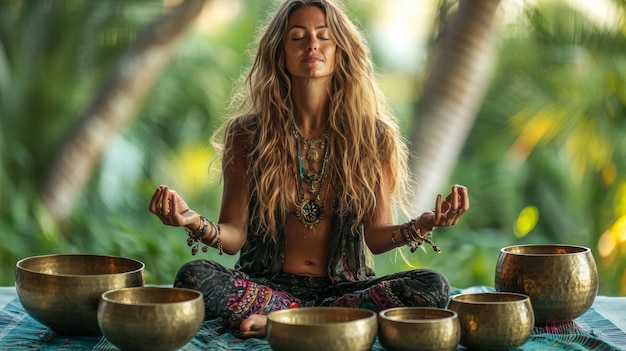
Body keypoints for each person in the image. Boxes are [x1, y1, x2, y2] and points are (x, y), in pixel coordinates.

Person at [149, 0, 469, 338]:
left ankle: (286, 320)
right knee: (194, 276)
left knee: (432, 286)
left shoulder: (373, 137)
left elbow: (376, 237)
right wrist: (192, 221)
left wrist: (423, 223)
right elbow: (233, 238)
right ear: (280, 52)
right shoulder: (247, 134)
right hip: (265, 286)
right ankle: (325, 321)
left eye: (324, 36)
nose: (312, 45)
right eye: (298, 37)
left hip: (343, 291)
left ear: (340, 51)